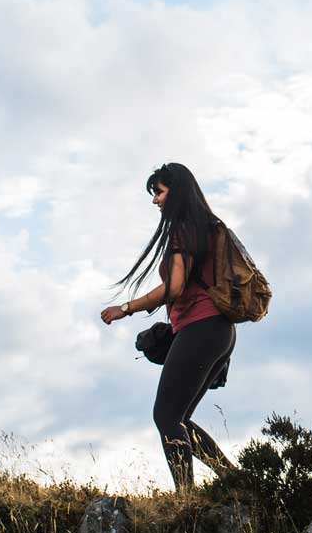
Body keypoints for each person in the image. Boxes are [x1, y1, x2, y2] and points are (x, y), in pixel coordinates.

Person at [100, 163, 238, 492]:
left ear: (176, 192)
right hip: (219, 331)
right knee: (179, 417)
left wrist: (127, 308)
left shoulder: (183, 230)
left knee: (165, 417)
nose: (155, 201)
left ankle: (185, 499)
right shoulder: (206, 226)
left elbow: (174, 287)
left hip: (202, 328)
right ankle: (236, 483)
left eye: (159, 193)